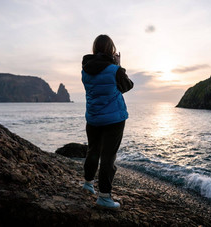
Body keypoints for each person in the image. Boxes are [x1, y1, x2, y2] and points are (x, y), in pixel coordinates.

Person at [81, 34, 133, 209]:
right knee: (108, 157)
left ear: (95, 49)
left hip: (93, 117)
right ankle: (104, 196)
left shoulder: (85, 69)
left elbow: (98, 86)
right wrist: (118, 65)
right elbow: (127, 86)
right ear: (111, 50)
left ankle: (88, 184)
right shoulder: (114, 69)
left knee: (93, 151)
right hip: (113, 119)